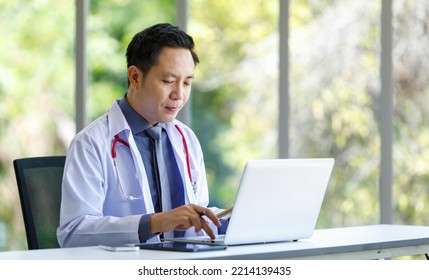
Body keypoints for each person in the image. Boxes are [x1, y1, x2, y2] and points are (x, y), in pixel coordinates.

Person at [57, 23, 225, 247]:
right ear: (135, 77)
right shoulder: (91, 143)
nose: (179, 94)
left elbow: (197, 218)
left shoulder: (186, 139)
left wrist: (237, 217)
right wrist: (155, 223)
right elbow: (73, 233)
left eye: (187, 82)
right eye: (168, 81)